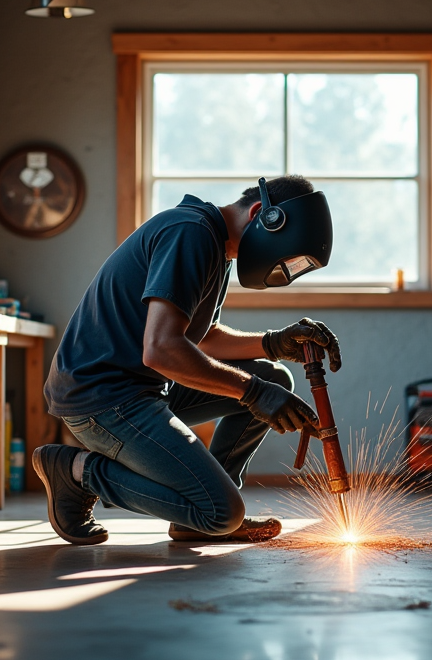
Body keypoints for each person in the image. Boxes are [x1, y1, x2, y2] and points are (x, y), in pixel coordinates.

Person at [38, 175, 341, 545]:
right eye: (286, 257)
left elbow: (201, 338)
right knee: (221, 514)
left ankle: (197, 513)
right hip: (102, 399)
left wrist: (273, 343)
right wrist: (252, 391)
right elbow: (162, 349)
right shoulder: (190, 233)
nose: (282, 267)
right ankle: (76, 471)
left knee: (274, 379)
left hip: (143, 389)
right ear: (263, 215)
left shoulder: (214, 243)